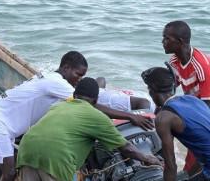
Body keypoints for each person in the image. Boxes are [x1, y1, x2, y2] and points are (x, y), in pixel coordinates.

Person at [0, 51, 153, 181]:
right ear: (66, 68)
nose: (78, 79)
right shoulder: (58, 83)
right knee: (9, 173)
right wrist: (131, 117)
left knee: (1, 174)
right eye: (78, 74)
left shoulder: (50, 79)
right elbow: (91, 105)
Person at [17, 77, 162, 181]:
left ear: (74, 96)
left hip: (26, 149)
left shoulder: (58, 106)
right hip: (55, 158)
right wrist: (148, 158)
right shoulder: (97, 116)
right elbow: (126, 147)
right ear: (95, 100)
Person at [143, 66, 210, 181]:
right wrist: (187, 176)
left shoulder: (163, 118)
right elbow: (203, 144)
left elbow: (171, 166)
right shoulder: (192, 100)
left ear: (151, 91)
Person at [163, 20, 210, 172]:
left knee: (196, 165)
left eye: (166, 38)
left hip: (203, 114)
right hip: (195, 110)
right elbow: (167, 93)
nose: (162, 42)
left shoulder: (202, 67)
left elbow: (207, 107)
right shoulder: (174, 62)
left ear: (180, 41)